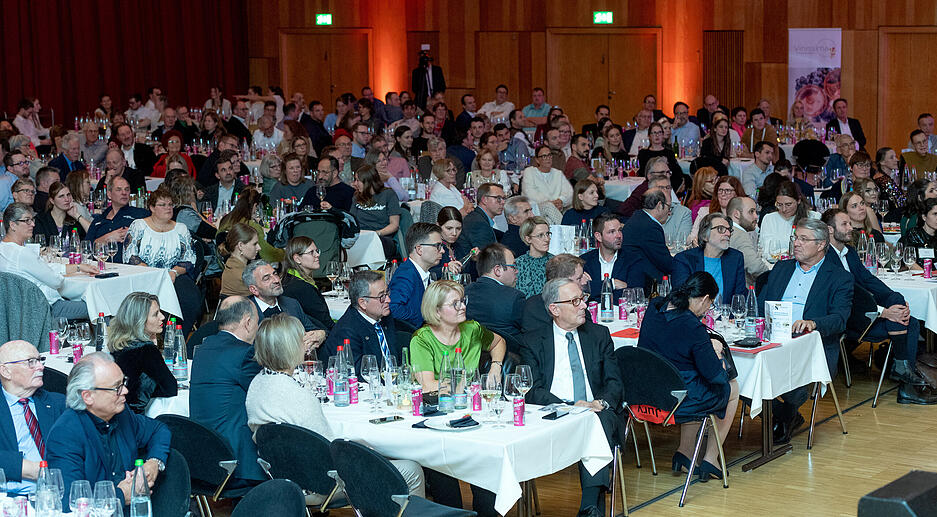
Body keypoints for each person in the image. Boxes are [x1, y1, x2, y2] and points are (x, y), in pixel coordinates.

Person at [248, 313, 426, 498]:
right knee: (411, 470)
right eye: (302, 340)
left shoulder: (257, 385)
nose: (306, 344)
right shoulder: (298, 395)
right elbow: (330, 448)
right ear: (290, 348)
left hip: (283, 476)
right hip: (320, 484)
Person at [520, 277, 623, 514]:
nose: (584, 305)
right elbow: (533, 391)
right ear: (554, 309)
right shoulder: (533, 341)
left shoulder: (599, 334)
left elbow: (614, 382)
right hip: (553, 413)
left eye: (583, 299)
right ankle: (592, 508)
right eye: (575, 301)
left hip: (595, 411)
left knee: (598, 420)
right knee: (589, 419)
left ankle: (588, 505)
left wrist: (599, 402)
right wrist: (571, 406)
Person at [822, 209, 936, 404]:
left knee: (910, 319)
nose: (851, 228)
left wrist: (895, 300)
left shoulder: (848, 253)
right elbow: (852, 297)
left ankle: (903, 374)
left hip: (865, 311)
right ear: (829, 230)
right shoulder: (826, 258)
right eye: (845, 224)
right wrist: (884, 312)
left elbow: (869, 280)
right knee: (907, 323)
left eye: (850, 223)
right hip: (850, 318)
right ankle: (906, 385)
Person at [637, 271, 739, 481]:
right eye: (709, 305)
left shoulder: (654, 306)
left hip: (644, 394)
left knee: (691, 382)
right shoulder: (692, 326)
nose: (707, 310)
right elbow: (715, 376)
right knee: (730, 387)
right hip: (674, 402)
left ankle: (685, 454)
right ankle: (711, 459)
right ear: (704, 299)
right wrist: (716, 351)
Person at [758, 219, 853, 444]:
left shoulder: (839, 277)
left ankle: (786, 412)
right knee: (735, 370)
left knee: (793, 373)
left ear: (821, 245)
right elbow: (760, 305)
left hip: (811, 344)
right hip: (772, 338)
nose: (796, 244)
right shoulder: (781, 268)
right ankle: (781, 415)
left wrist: (813, 323)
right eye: (795, 238)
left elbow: (839, 320)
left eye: (803, 239)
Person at [46, 352, 170, 509]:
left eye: (123, 382)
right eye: (116, 387)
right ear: (88, 396)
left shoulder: (122, 414)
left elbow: (159, 430)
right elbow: (70, 504)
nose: (125, 391)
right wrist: (119, 496)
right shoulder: (65, 435)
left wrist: (153, 463)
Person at [190, 296, 265, 484]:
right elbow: (267, 392)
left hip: (203, 456)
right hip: (237, 462)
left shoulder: (203, 348)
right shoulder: (243, 353)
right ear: (248, 323)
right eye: (257, 322)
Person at [123, 188, 203, 335]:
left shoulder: (181, 228)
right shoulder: (139, 225)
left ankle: (176, 337)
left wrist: (174, 272)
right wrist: (151, 272)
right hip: (144, 274)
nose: (168, 208)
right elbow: (130, 254)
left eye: (170, 204)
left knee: (190, 297)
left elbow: (189, 258)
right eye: (162, 204)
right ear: (152, 208)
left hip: (173, 275)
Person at [1, 203, 97, 319]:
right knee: (99, 307)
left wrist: (77, 267)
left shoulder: (4, 249)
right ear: (12, 225)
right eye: (27, 221)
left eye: (32, 220)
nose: (33, 224)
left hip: (18, 312)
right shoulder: (22, 253)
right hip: (45, 308)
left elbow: (42, 268)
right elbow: (56, 281)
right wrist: (56, 274)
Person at [0, 339, 66, 496]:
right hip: (10, 498)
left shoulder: (58, 403)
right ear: (6, 371)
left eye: (39, 360)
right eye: (31, 362)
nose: (41, 367)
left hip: (57, 493)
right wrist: (28, 468)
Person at [106, 292, 178, 413]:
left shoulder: (118, 344)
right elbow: (170, 388)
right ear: (140, 321)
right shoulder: (146, 350)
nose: (162, 317)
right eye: (155, 314)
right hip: (133, 419)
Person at [324, 269, 403, 371]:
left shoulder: (383, 315)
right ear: (363, 303)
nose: (388, 300)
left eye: (387, 293)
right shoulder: (347, 331)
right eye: (381, 296)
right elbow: (357, 375)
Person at [672, 213, 746, 301]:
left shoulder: (735, 258)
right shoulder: (685, 259)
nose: (728, 233)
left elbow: (739, 297)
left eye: (729, 230)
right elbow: (681, 297)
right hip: (693, 314)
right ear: (704, 236)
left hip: (725, 314)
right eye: (721, 229)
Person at [464, 243, 524, 351]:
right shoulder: (514, 297)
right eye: (513, 266)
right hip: (509, 358)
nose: (517, 271)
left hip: (469, 356)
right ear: (498, 270)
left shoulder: (463, 293)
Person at [389, 223, 443, 329]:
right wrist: (427, 316)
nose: (442, 250)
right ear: (419, 249)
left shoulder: (420, 272)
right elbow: (393, 309)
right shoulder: (406, 274)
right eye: (438, 246)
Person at [580, 212, 643, 302]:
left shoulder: (634, 260)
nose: (618, 236)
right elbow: (580, 293)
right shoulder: (584, 261)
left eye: (620, 230)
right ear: (598, 236)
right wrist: (613, 284)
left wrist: (595, 287)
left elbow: (634, 295)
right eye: (612, 232)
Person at [279, 237, 333, 330]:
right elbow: (326, 323)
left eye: (317, 251)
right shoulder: (303, 288)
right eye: (311, 252)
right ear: (297, 259)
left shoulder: (287, 278)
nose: (317, 255)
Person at [350, 164, 402, 260]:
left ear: (368, 181)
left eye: (358, 180)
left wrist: (376, 234)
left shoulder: (388, 194)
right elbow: (352, 222)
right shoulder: (357, 197)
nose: (355, 184)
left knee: (371, 244)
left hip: (382, 237)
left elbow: (394, 225)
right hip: (361, 237)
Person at [622, 188, 673, 284]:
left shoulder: (639, 217)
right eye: (668, 207)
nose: (669, 212)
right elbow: (667, 264)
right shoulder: (650, 227)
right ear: (659, 205)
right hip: (643, 281)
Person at [758, 180, 819, 259]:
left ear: (798, 200)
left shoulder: (813, 217)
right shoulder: (769, 219)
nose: (784, 209)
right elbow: (765, 251)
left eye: (788, 204)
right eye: (779, 205)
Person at [726, 196, 771, 285]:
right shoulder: (740, 235)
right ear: (737, 214)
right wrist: (774, 276)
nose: (756, 216)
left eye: (756, 212)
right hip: (743, 291)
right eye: (751, 211)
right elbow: (755, 267)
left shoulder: (726, 230)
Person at [522, 145, 573, 222]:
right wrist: (551, 203)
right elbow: (530, 194)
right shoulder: (529, 172)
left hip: (556, 210)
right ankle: (564, 228)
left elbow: (569, 192)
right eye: (544, 156)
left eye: (549, 155)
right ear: (537, 160)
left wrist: (561, 201)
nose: (548, 158)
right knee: (548, 207)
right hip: (535, 209)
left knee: (550, 219)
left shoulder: (558, 173)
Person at [515, 216, 554, 298]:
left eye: (548, 234)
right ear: (528, 239)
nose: (547, 239)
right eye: (540, 235)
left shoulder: (555, 262)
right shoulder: (518, 264)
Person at [458, 182, 505, 251]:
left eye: (504, 198)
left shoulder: (479, 218)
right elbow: (486, 258)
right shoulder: (478, 223)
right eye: (498, 198)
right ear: (484, 200)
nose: (503, 202)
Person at [219, 222, 262, 297]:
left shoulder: (231, 264)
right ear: (240, 246)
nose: (259, 248)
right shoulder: (241, 275)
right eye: (254, 244)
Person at [431, 207, 470, 279]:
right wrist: (444, 269)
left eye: (458, 229)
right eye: (449, 228)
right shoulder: (431, 247)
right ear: (438, 226)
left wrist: (471, 258)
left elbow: (467, 274)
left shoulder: (458, 246)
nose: (454, 233)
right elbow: (424, 274)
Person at [872, 147, 906, 223]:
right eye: (891, 158)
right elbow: (901, 202)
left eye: (895, 156)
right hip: (889, 218)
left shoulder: (878, 177)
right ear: (882, 162)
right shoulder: (884, 180)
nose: (896, 160)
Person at [899, 198, 937, 263]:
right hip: (917, 272)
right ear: (924, 217)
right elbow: (909, 262)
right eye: (935, 214)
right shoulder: (914, 234)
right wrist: (927, 272)